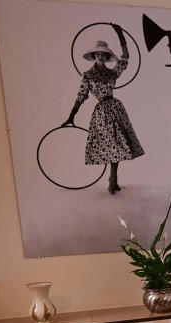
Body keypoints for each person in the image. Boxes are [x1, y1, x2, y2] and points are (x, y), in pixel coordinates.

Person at [62, 23, 144, 195]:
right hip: (101, 114)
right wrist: (71, 115)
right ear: (94, 56)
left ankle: (112, 180)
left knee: (118, 144)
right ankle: (113, 180)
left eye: (103, 54)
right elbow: (81, 95)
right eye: (97, 53)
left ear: (107, 57)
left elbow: (125, 58)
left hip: (115, 109)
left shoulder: (112, 73)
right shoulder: (88, 75)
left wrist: (121, 36)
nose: (100, 56)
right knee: (112, 145)